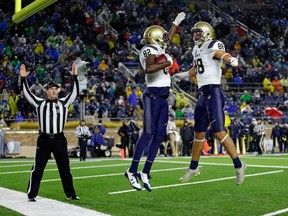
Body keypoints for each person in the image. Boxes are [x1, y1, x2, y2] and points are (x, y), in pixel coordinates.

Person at [173, 21, 246, 185]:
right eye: (194, 33)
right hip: (202, 93)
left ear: (206, 33)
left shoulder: (213, 44)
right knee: (198, 133)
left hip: (214, 92)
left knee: (219, 131)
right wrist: (183, 75)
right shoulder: (196, 49)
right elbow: (197, 69)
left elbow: (220, 54)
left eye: (198, 33)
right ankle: (193, 167)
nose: (195, 35)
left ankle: (239, 165)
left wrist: (230, 59)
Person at [124, 12, 186, 192]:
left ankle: (145, 172)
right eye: (163, 36)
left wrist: (176, 22)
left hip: (163, 96)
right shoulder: (148, 49)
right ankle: (132, 170)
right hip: (152, 94)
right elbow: (149, 69)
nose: (166, 38)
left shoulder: (160, 49)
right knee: (148, 132)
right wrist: (167, 63)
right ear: (155, 38)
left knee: (159, 135)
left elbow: (169, 38)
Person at [20, 63, 80, 202]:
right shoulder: (39, 103)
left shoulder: (64, 102)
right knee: (38, 168)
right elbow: (28, 94)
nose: (54, 91)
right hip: (44, 139)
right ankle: (31, 194)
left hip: (59, 139)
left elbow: (75, 92)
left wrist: (75, 77)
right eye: (51, 89)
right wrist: (23, 79)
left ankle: (71, 194)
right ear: (46, 91)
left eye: (55, 89)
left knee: (65, 168)